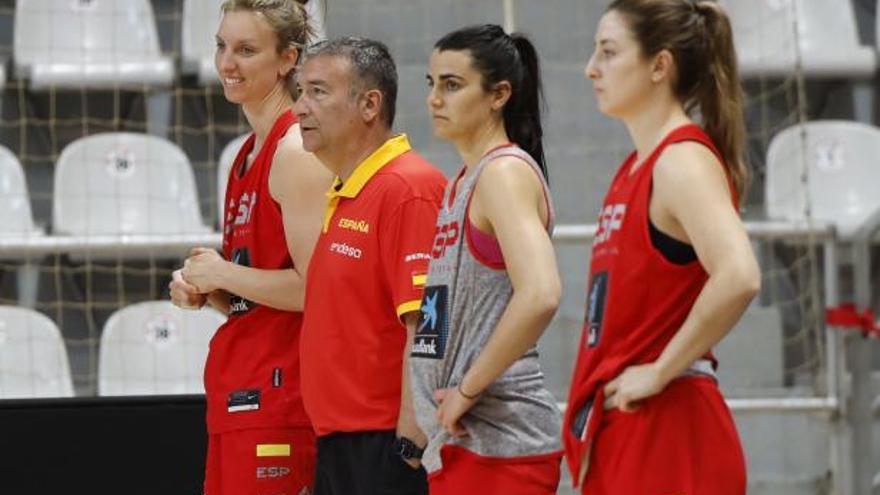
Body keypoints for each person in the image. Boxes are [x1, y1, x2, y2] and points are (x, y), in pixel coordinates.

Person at [562, 1, 761, 493]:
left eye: (608, 53)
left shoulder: (682, 162)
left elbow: (739, 275)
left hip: (671, 428)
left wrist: (657, 372)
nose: (591, 68)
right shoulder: (634, 167)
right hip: (629, 425)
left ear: (659, 65)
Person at [168, 1, 332, 493]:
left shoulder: (295, 152)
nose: (226, 64)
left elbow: (315, 290)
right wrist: (211, 291)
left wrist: (222, 274)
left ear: (288, 59)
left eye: (245, 50)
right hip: (240, 392)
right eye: (221, 46)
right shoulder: (246, 151)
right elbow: (257, 294)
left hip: (283, 400)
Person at [410, 24, 563, 495]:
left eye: (452, 85)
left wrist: (467, 390)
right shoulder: (462, 180)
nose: (436, 98)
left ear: (498, 94)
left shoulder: (503, 174)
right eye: (431, 83)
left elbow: (541, 294)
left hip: (501, 441)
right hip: (460, 441)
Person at [293, 37, 447, 495]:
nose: (301, 107)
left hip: (385, 446)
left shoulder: (408, 188)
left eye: (318, 92)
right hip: (340, 444)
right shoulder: (348, 192)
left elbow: (427, 323)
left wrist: (408, 441)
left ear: (369, 104)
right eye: (300, 92)